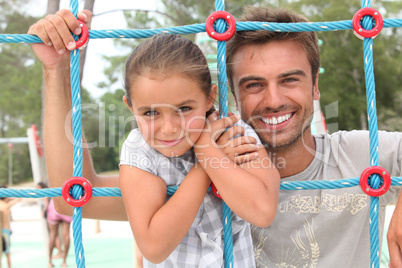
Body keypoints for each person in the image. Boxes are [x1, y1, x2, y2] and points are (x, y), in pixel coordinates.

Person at [28, 5, 402, 268]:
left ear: (315, 86)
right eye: (254, 84)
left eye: (290, 79)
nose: (274, 100)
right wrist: (55, 70)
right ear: (230, 95)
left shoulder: (358, 156)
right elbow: (73, 196)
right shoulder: (169, 168)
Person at [36, 182, 63, 261]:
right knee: (56, 234)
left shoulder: (44, 194)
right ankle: (59, 251)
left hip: (49, 214)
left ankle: (58, 252)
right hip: (52, 214)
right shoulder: (48, 193)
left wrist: (43, 211)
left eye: (38, 187)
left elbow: (46, 204)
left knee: (53, 234)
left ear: (42, 187)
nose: (37, 189)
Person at [46, 198, 72, 267]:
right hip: (66, 204)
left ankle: (49, 262)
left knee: (52, 234)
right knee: (66, 235)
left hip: (55, 205)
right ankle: (64, 262)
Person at [0, 186, 20, 268]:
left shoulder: (5, 204)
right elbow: (18, 199)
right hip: (4, 232)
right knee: (7, 253)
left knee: (5, 253)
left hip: (6, 231)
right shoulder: (4, 205)